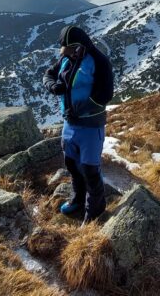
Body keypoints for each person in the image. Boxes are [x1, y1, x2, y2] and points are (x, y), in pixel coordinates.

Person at [43, 25, 114, 223]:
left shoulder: (99, 62)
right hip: (69, 125)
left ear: (82, 45)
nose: (68, 54)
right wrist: (53, 86)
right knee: (73, 166)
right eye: (64, 50)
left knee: (90, 170)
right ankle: (78, 201)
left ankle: (94, 212)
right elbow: (48, 74)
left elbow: (105, 95)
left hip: (90, 127)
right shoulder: (67, 58)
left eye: (71, 49)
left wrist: (79, 109)